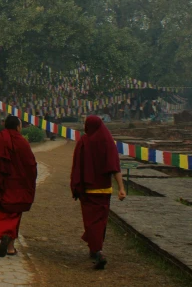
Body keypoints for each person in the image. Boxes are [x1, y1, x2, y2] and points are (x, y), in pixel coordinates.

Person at [70, 115, 127, 270]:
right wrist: (121, 188)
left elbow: (77, 166)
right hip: (104, 190)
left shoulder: (84, 141)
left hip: (88, 191)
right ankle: (94, 248)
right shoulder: (107, 142)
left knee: (91, 221)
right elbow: (115, 166)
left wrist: (76, 186)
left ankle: (97, 251)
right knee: (100, 221)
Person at [0, 115, 37, 257]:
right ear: (18, 127)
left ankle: (2, 234)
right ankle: (10, 247)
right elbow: (31, 165)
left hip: (0, 184)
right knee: (14, 212)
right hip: (18, 185)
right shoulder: (23, 142)